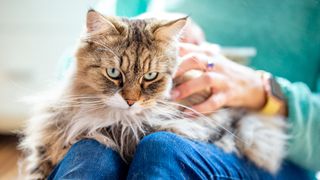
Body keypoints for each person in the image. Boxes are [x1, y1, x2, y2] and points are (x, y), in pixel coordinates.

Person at [49, 1, 320, 179]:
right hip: (128, 118)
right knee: (90, 154)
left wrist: (264, 92)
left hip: (255, 141)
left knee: (163, 150)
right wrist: (141, 27)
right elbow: (71, 69)